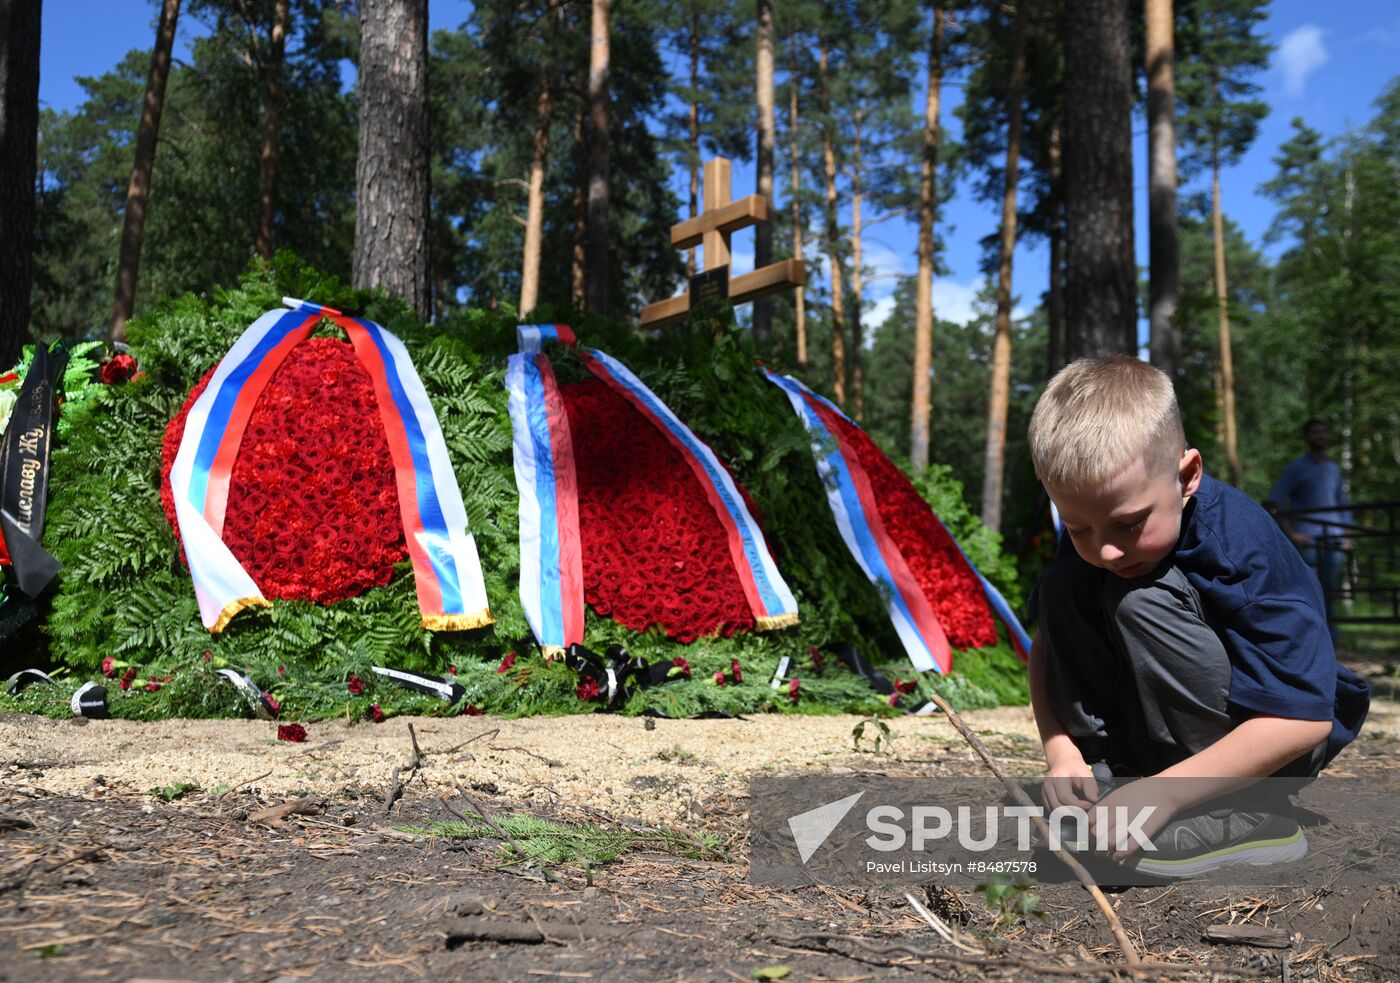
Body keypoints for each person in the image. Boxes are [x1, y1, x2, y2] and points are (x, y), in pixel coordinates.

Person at [1025, 357, 1369, 878]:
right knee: (1066, 585)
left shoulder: (1241, 553)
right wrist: (1062, 752)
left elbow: (1303, 719)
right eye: (1078, 527)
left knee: (1141, 599)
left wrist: (1165, 795)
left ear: (1187, 476)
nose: (1108, 550)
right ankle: (1118, 777)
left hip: (1270, 750)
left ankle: (1252, 813)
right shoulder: (1100, 535)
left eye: (1129, 523)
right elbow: (1048, 644)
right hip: (1163, 739)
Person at [1266, 420, 1352, 639]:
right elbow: (1274, 501)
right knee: (1310, 589)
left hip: (1334, 539)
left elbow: (1343, 504)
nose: (1321, 436)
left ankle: (1331, 638)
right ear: (1306, 436)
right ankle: (1310, 637)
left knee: (1331, 590)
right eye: (1316, 432)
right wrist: (1292, 534)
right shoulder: (1296, 468)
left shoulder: (1333, 469)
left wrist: (1347, 534)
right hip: (1309, 540)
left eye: (1324, 432)